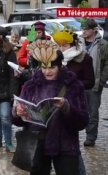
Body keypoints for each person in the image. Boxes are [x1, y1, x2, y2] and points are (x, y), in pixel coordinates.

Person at [13, 39, 89, 175]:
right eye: (44, 67)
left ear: (59, 66)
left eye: (51, 68)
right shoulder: (31, 85)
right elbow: (18, 121)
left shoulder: (73, 85)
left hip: (65, 144)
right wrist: (17, 112)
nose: (47, 72)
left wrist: (67, 107)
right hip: (37, 143)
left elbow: (83, 121)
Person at [53, 27, 95, 175]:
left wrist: (74, 85)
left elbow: (90, 81)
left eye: (64, 45)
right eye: (59, 45)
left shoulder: (83, 58)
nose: (61, 49)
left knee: (70, 143)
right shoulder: (54, 58)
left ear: (72, 44)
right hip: (55, 102)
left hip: (74, 103)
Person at [80, 19, 108, 147]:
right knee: (78, 109)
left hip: (95, 84)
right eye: (83, 28)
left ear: (93, 30)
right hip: (79, 83)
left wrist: (101, 80)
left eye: (86, 29)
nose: (84, 31)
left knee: (93, 112)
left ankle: (90, 137)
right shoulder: (78, 42)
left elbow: (107, 64)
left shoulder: (103, 44)